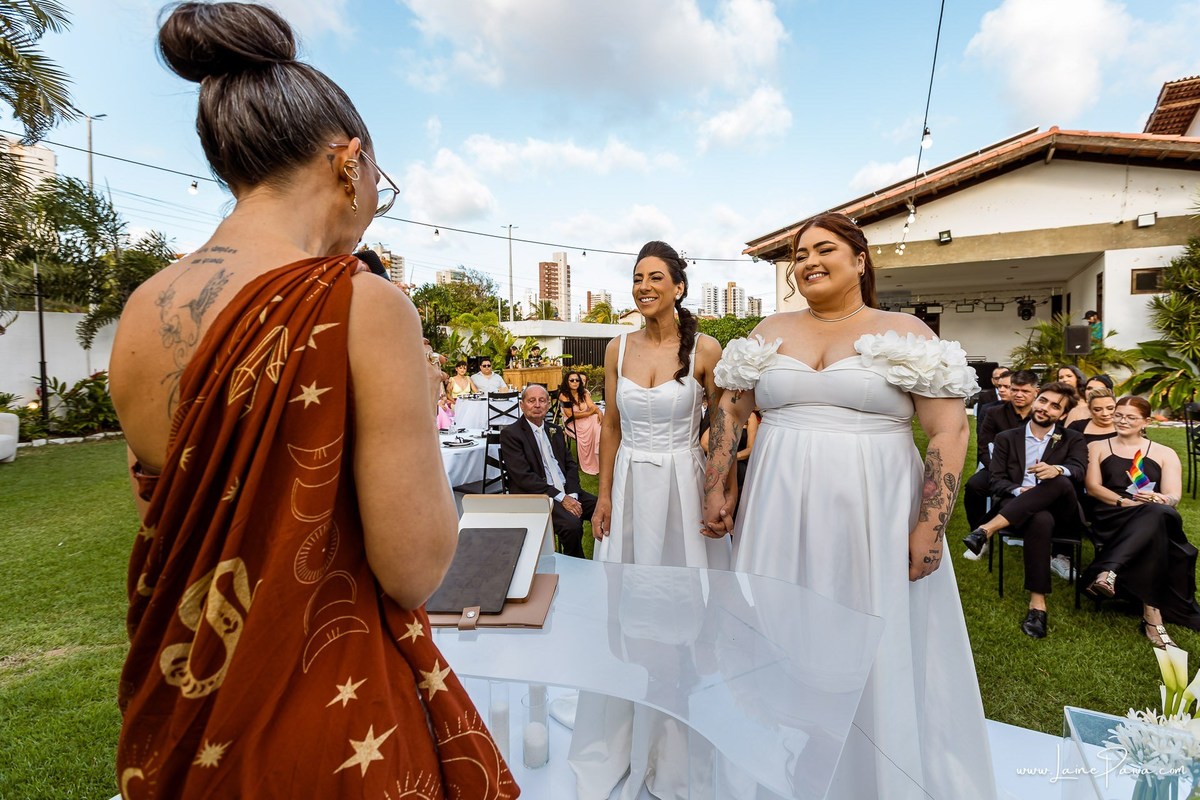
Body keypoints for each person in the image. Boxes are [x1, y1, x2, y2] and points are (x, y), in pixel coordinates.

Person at [106, 4, 515, 798]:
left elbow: (179, 526)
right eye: (379, 186)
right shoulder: (361, 303)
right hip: (327, 716)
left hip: (188, 705)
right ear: (348, 161)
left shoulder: (139, 315)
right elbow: (414, 568)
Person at [702, 213, 994, 800]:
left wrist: (930, 527)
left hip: (874, 514)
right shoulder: (769, 329)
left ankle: (872, 770)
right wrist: (716, 483)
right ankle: (793, 760)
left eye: (824, 248)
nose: (808, 260)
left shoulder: (904, 330)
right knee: (782, 628)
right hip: (777, 510)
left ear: (860, 259)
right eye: (799, 253)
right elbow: (730, 411)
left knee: (870, 632)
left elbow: (947, 432)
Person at [569, 240, 727, 800]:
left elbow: (727, 424)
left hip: (684, 486)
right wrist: (604, 494)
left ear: (679, 286)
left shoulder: (706, 348)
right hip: (632, 486)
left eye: (655, 277)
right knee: (631, 600)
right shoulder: (616, 348)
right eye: (637, 278)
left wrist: (717, 488)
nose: (643, 287)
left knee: (687, 601)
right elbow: (610, 425)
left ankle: (680, 726)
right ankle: (627, 723)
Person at [961, 383, 1087, 639]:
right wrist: (1020, 492)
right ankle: (1037, 606)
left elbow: (1079, 469)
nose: (1045, 408)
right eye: (1043, 401)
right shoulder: (1007, 438)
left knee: (1060, 480)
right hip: (1018, 510)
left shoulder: (1072, 438)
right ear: (1035, 400)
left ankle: (986, 529)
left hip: (1062, 510)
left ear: (1062, 415)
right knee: (1039, 519)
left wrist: (1057, 469)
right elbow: (996, 481)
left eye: (1055, 406)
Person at [1080, 396, 1200, 647]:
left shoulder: (1165, 453)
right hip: (1113, 512)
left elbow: (1173, 496)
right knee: (1156, 523)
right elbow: (1092, 488)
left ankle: (1108, 571)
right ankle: (1152, 617)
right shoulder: (1098, 447)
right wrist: (1126, 502)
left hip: (1152, 513)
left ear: (1145, 422)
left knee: (1157, 514)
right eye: (1119, 415)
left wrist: (1159, 497)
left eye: (1131, 417)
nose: (1123, 421)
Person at [499, 385, 596, 558]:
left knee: (603, 510)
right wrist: (561, 498)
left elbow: (570, 464)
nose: (537, 405)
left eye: (542, 400)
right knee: (572, 525)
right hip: (537, 496)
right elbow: (524, 478)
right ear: (522, 405)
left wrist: (572, 494)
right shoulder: (511, 434)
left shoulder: (555, 430)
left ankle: (603, 559)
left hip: (567, 491)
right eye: (531, 401)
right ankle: (576, 568)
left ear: (548, 404)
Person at [962, 369, 1039, 536]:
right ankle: (978, 533)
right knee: (974, 486)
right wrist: (999, 471)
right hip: (999, 469)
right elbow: (983, 448)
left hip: (1035, 471)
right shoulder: (994, 413)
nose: (1018, 394)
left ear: (1036, 392)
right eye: (1014, 390)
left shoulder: (1041, 415)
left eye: (1025, 391)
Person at [559, 370, 603, 474]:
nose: (575, 382)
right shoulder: (564, 395)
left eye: (577, 380)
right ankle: (594, 459)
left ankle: (599, 452)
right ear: (567, 381)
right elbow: (570, 415)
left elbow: (592, 406)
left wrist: (599, 412)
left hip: (585, 420)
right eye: (572, 380)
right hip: (572, 423)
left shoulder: (584, 393)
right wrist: (589, 413)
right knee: (596, 423)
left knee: (599, 423)